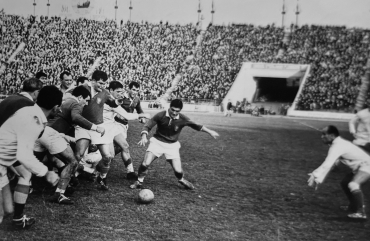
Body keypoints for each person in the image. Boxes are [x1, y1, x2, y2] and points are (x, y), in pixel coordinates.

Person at [0, 85, 61, 228]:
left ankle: (17, 218)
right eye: (59, 106)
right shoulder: (34, 119)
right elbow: (24, 154)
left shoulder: (29, 110)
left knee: (8, 207)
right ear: (56, 107)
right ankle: (17, 218)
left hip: (5, 156)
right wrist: (47, 172)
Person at [130, 99, 219, 190]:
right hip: (157, 142)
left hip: (172, 146)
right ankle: (139, 181)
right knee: (145, 163)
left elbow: (197, 126)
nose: (174, 112)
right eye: (172, 110)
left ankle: (181, 179)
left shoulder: (183, 119)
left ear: (180, 110)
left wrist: (210, 131)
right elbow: (148, 125)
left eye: (177, 111)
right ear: (169, 107)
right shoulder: (160, 115)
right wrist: (144, 136)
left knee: (178, 171)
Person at [308, 125, 370, 219]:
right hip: (361, 166)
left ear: (332, 136)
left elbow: (328, 163)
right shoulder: (338, 144)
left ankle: (361, 212)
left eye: (324, 134)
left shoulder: (338, 146)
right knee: (345, 183)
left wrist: (315, 175)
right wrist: (319, 178)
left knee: (353, 184)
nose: (322, 137)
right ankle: (353, 206)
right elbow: (332, 163)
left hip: (367, 165)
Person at [74, 70, 122, 190]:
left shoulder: (105, 92)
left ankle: (102, 177)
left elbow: (113, 103)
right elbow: (70, 97)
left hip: (98, 127)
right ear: (93, 81)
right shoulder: (83, 88)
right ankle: (71, 178)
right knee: (78, 154)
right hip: (83, 126)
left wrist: (118, 101)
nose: (102, 86)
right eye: (100, 83)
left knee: (107, 156)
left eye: (104, 83)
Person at [104, 81, 150, 180]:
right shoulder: (121, 97)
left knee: (119, 147)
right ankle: (130, 171)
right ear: (128, 89)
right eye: (133, 89)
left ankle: (103, 162)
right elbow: (116, 108)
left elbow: (139, 109)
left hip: (124, 126)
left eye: (137, 90)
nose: (135, 92)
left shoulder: (136, 99)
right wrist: (141, 116)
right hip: (115, 123)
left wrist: (142, 117)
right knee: (123, 146)